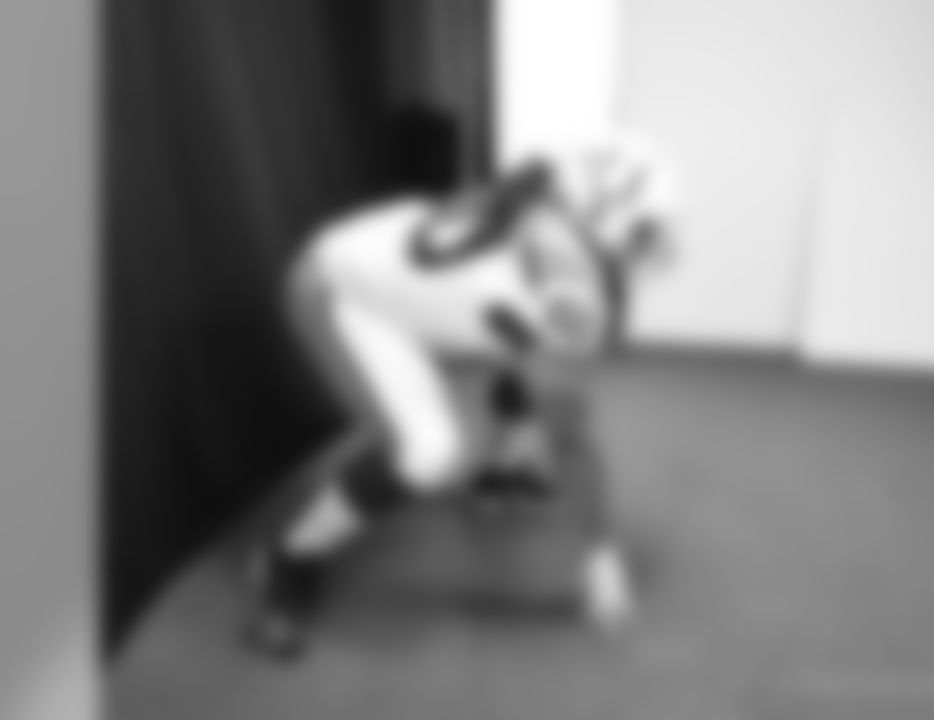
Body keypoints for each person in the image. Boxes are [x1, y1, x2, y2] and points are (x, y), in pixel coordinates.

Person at [244, 133, 679, 656]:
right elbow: (569, 436)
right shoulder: (570, 284)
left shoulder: (533, 208)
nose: (642, 249)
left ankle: (501, 467)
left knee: (516, 350)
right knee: (428, 455)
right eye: (642, 233)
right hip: (339, 292)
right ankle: (288, 557)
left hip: (389, 279)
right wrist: (600, 553)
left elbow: (502, 331)